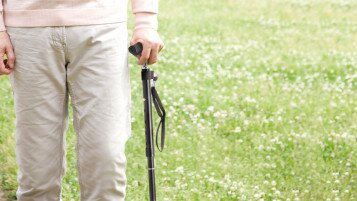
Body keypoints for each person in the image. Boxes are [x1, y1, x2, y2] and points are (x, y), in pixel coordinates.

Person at [0, 0, 164, 200]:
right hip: (27, 30)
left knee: (106, 158)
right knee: (37, 170)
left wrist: (145, 21)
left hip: (103, 26)